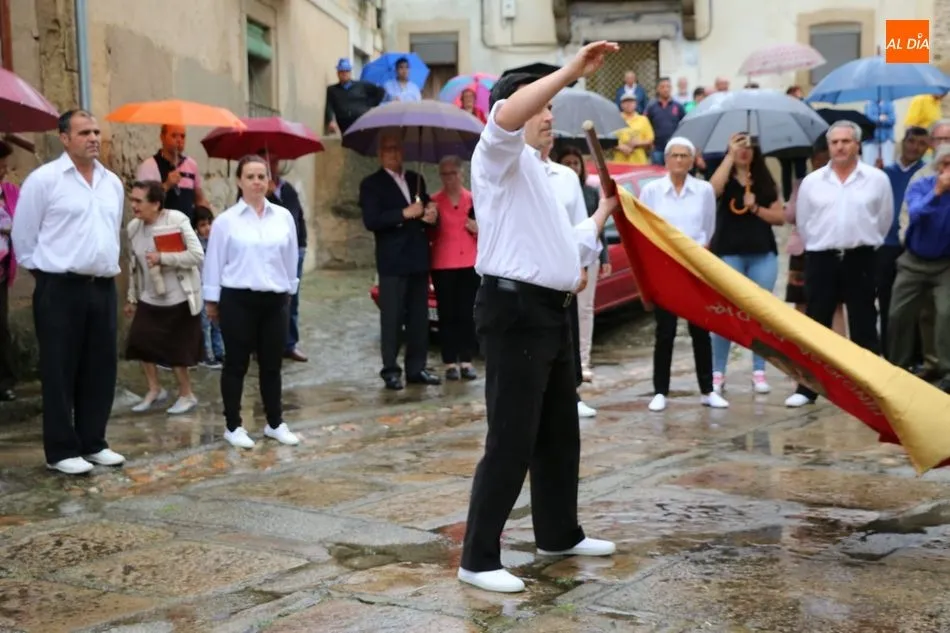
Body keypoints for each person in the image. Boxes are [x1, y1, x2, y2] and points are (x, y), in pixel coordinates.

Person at [458, 41, 621, 595]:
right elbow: (507, 113)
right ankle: (478, 557)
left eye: (552, 109)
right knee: (511, 436)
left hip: (551, 312)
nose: (550, 116)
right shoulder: (496, 155)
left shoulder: (542, 175)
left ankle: (558, 533)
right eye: (543, 107)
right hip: (514, 311)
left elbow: (564, 245)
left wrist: (602, 212)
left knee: (559, 433)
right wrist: (571, 69)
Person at [11, 110, 126, 475]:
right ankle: (61, 450)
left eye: (96, 131)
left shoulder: (112, 183)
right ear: (64, 138)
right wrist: (49, 273)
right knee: (60, 368)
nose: (93, 138)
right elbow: (23, 237)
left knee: (101, 367)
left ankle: (94, 442)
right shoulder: (44, 181)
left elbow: (112, 231)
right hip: (60, 287)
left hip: (102, 286)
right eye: (84, 132)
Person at [784, 121, 893, 408]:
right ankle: (807, 388)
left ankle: (871, 388)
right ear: (829, 146)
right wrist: (824, 246)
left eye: (846, 141)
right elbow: (805, 222)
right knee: (816, 324)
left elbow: (883, 219)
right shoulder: (813, 182)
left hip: (861, 256)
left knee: (864, 322)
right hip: (822, 257)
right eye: (835, 142)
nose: (840, 147)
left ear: (857, 144)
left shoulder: (877, 179)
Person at [203, 155, 301, 448]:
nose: (257, 182)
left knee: (272, 364)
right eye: (250, 176)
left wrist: (290, 289)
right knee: (236, 363)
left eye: (262, 176)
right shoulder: (226, 222)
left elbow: (291, 256)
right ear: (239, 181)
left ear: (268, 181)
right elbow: (214, 261)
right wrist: (211, 300)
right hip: (238, 300)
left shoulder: (283, 217)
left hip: (275, 300)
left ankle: (275, 423)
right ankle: (233, 425)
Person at [638, 137, 728, 412]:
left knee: (700, 329)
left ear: (692, 160)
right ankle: (660, 391)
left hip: (694, 265)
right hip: (665, 267)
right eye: (674, 155)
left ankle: (707, 389)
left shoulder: (703, 190)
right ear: (666, 160)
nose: (678, 160)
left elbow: (708, 227)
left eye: (684, 156)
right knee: (665, 331)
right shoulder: (652, 190)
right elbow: (644, 227)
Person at [359, 130, 441, 391]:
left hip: (418, 258)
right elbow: (372, 220)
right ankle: (391, 370)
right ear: (380, 154)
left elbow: (426, 211)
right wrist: (404, 213)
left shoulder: (416, 179)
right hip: (393, 261)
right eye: (388, 149)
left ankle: (416, 368)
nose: (393, 153)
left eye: (397, 148)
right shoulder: (371, 184)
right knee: (392, 319)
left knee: (419, 319)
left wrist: (431, 214)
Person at [707, 133, 785, 395]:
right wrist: (729, 157)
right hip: (729, 253)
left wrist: (756, 209)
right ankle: (717, 372)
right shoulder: (725, 176)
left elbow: (780, 217)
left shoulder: (764, 180)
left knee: (761, 314)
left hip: (762, 253)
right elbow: (712, 191)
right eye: (739, 147)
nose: (744, 151)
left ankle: (759, 371)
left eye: (749, 147)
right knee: (725, 313)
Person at [124, 180, 204, 415]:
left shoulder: (176, 220)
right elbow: (134, 267)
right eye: (132, 200)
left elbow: (196, 255)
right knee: (141, 341)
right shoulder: (134, 228)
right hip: (150, 296)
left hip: (178, 296)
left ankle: (187, 394)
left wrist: (163, 258)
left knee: (178, 350)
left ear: (156, 204)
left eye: (139, 201)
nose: (133, 205)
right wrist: (131, 297)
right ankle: (155, 389)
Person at [541, 141, 598, 419]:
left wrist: (583, 265)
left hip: (564, 274)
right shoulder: (517, 169)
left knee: (569, 332)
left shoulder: (566, 179)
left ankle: (572, 393)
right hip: (533, 273)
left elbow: (580, 227)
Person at [887, 144, 950, 392]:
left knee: (946, 314)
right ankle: (897, 368)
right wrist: (937, 192)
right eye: (945, 165)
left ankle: (947, 371)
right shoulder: (922, 185)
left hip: (945, 264)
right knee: (898, 314)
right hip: (914, 260)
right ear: (938, 167)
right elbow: (915, 213)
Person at [784, 138, 848, 337]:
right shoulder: (801, 184)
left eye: (823, 160)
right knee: (801, 302)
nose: (819, 164)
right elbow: (790, 216)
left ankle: (839, 349)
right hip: (802, 250)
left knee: (836, 303)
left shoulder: (841, 184)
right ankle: (801, 347)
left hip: (831, 248)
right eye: (816, 160)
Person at [558, 145, 610, 383]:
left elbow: (600, 228)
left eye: (575, 163)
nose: (572, 167)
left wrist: (604, 257)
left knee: (585, 309)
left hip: (589, 255)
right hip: (563, 256)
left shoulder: (590, 192)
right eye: (567, 163)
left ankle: (583, 360)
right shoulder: (555, 188)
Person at [429, 155, 479, 381]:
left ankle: (466, 360)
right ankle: (450, 361)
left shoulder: (474, 199)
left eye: (453, 173)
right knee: (447, 314)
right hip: (443, 263)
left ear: (461, 174)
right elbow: (429, 235)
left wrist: (478, 229)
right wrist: (428, 221)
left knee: (467, 313)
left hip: (469, 262)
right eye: (444, 174)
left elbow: (490, 231)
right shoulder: (434, 202)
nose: (449, 178)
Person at [878, 127, 927, 351]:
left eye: (921, 143)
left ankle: (912, 353)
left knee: (914, 304)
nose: (914, 147)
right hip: (886, 245)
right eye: (911, 141)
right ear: (903, 142)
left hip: (913, 247)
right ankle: (888, 349)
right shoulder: (885, 173)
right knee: (886, 299)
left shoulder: (927, 175)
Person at [262, 153, 308, 363]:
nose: (271, 165)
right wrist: (268, 196)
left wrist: (302, 244)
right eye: (266, 162)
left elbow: (292, 217)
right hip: (267, 253)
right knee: (266, 300)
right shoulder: (251, 191)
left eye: (274, 161)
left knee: (292, 299)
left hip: (292, 251)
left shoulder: (287, 189)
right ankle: (263, 344)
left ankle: (289, 344)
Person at [135, 125, 209, 224]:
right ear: (162, 137)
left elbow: (199, 199)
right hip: (159, 227)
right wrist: (166, 185)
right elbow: (142, 203)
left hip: (186, 227)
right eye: (174, 136)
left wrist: (207, 218)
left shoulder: (191, 165)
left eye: (182, 136)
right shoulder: (150, 166)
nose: (179, 140)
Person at [193, 205, 225, 368]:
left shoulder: (217, 242)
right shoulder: (196, 246)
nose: (207, 228)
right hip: (202, 289)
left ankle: (219, 352)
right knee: (205, 323)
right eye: (202, 225)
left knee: (217, 323)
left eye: (209, 223)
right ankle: (207, 355)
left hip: (217, 288)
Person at [0, 141, 19, 402]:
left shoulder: (11, 193)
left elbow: (23, 222)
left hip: (1, 271)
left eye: (4, 166)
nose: (3, 171)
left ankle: (4, 382)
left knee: (1, 326)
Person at [324, 58, 386, 135]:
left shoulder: (361, 85)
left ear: (350, 72)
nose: (344, 73)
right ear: (337, 73)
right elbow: (329, 106)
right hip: (344, 124)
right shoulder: (332, 89)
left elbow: (380, 91)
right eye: (342, 71)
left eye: (347, 71)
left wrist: (369, 104)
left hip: (362, 123)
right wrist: (331, 120)